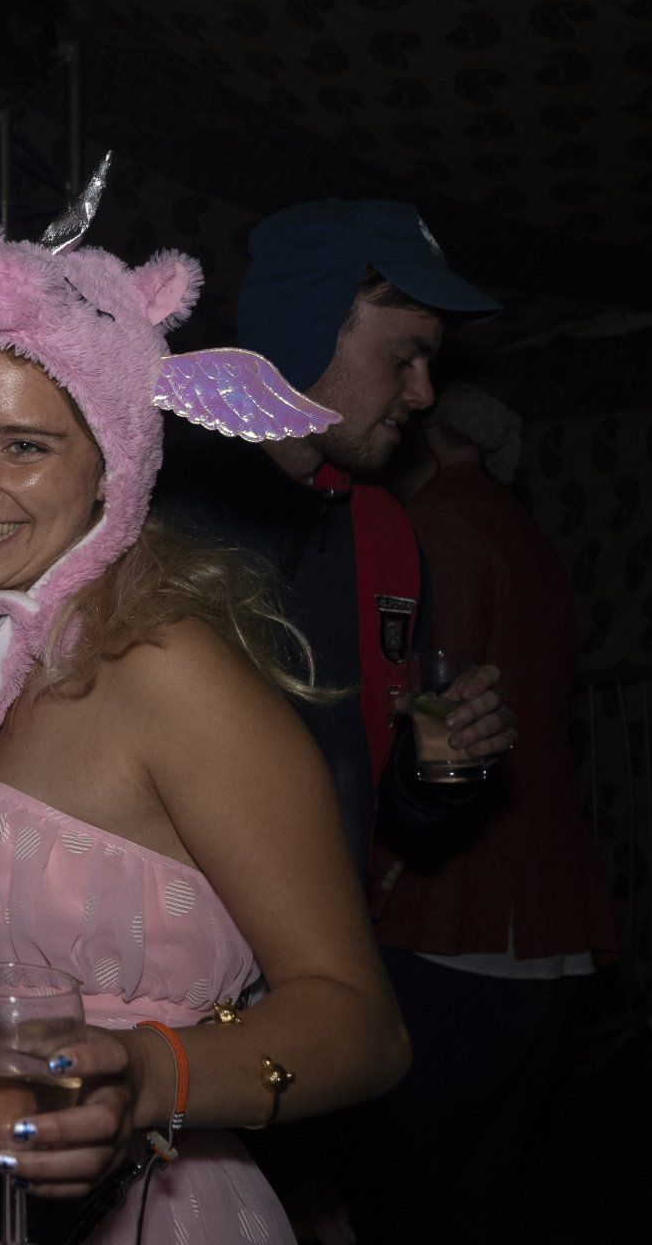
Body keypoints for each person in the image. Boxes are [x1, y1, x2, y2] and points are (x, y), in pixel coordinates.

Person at [0, 167, 411, 1244]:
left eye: (26, 445)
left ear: (113, 465)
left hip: (144, 1203)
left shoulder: (167, 673)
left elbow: (362, 1027)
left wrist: (150, 1076)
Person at [155, 200, 519, 879]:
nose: (424, 394)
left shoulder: (388, 537)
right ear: (308, 333)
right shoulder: (154, 512)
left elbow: (390, 817)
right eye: (404, 359)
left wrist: (443, 763)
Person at [345, 381, 616, 1245]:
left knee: (406, 1192)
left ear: (431, 434)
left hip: (462, 913)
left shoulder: (440, 527)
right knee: (481, 1191)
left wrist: (386, 858)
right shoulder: (520, 528)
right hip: (542, 908)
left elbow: (436, 700)